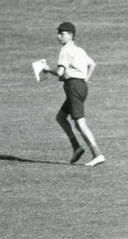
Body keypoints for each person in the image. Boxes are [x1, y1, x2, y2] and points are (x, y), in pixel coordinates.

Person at [39, 21, 104, 166]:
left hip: (73, 87)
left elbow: (60, 72)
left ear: (70, 35)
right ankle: (76, 147)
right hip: (80, 86)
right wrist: (84, 79)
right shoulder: (79, 50)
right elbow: (92, 64)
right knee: (61, 117)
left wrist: (47, 70)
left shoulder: (66, 50)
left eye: (62, 34)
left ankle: (97, 154)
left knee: (80, 123)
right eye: (59, 33)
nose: (58, 36)